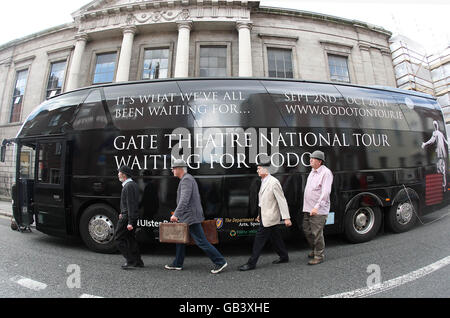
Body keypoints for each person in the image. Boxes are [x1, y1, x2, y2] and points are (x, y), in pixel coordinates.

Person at [165, 159, 228, 274]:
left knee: (201, 241)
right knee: (180, 239)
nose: (172, 170)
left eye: (173, 168)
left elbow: (184, 199)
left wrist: (176, 214)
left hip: (190, 217)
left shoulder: (186, 180)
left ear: (179, 168)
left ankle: (220, 261)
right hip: (187, 216)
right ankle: (178, 263)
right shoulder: (186, 179)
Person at [239, 159, 292, 271]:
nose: (257, 170)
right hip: (265, 215)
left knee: (259, 240)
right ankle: (284, 256)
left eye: (259, 168)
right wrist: (259, 214)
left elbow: (281, 200)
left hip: (270, 216)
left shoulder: (273, 182)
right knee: (275, 237)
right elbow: (262, 200)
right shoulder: (263, 180)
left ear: (265, 169)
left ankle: (251, 263)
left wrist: (286, 217)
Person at [302, 150, 333, 265]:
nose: (310, 160)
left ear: (319, 161)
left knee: (317, 233)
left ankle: (319, 255)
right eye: (310, 158)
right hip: (308, 208)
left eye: (313, 158)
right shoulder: (312, 171)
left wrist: (317, 207)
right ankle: (315, 249)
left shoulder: (326, 173)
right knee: (306, 230)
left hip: (318, 210)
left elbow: (325, 192)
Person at [115, 165, 144, 269]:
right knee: (130, 239)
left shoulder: (129, 186)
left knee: (118, 239)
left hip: (127, 218)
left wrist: (130, 222)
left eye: (119, 172)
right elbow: (129, 204)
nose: (118, 174)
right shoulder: (132, 185)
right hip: (128, 215)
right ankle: (138, 262)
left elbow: (131, 204)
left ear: (123, 174)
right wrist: (122, 212)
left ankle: (130, 260)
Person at [422, 120, 449, 191]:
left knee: (439, 170)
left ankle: (442, 186)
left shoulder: (435, 133)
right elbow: (446, 142)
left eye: (435, 125)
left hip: (439, 153)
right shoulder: (440, 133)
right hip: (442, 153)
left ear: (435, 126)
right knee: (442, 170)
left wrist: (424, 144)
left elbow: (431, 141)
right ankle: (443, 186)